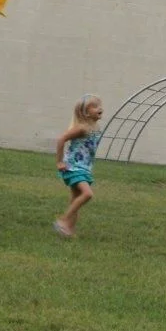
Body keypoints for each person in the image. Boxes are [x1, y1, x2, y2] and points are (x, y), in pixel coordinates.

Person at [53, 94, 103, 238]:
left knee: (76, 199)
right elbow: (61, 139)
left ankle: (69, 230)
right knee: (87, 194)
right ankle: (63, 220)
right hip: (73, 167)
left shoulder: (95, 127)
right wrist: (59, 162)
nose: (100, 108)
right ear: (85, 113)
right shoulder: (82, 128)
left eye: (100, 105)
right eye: (95, 106)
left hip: (84, 168)